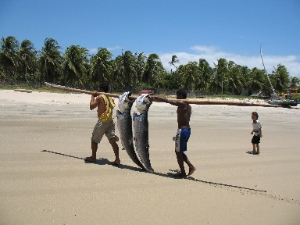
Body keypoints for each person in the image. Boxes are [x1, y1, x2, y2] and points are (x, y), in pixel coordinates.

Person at [153, 89, 196, 178]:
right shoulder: (188, 105)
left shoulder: (182, 103)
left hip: (182, 131)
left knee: (178, 152)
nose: (176, 97)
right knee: (179, 151)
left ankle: (184, 172)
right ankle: (190, 166)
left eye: (177, 95)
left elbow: (168, 101)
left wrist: (157, 98)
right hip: (187, 130)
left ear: (180, 95)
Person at [85, 83, 120, 165]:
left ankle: (93, 157)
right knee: (112, 140)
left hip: (103, 122)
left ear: (101, 89)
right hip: (110, 121)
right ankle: (117, 159)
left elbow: (91, 107)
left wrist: (93, 96)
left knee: (94, 140)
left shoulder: (100, 97)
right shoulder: (110, 97)